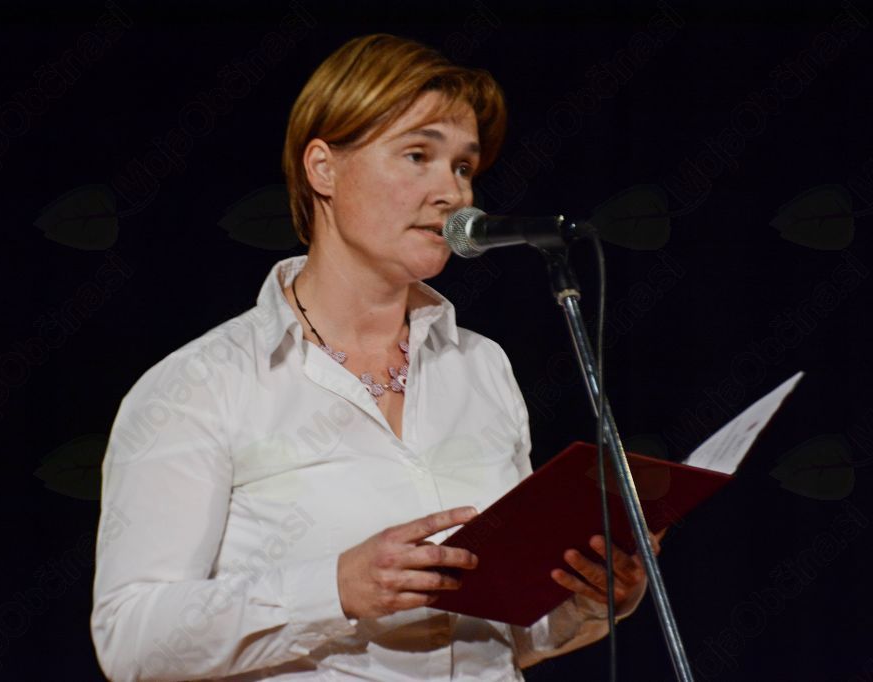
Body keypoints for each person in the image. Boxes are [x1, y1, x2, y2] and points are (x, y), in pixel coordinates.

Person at [91, 33, 661, 681]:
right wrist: (333, 589)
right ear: (323, 169)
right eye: (418, 155)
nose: (453, 194)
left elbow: (503, 636)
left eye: (464, 167)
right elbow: (130, 638)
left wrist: (586, 597)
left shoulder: (480, 367)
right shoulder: (200, 384)